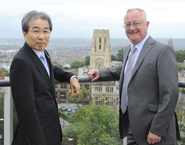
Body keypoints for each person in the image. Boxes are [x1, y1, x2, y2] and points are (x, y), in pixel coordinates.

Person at [88, 8, 180, 145]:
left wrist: (157, 129)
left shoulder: (163, 50)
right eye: (128, 24)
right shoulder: (127, 50)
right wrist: (102, 72)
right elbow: (126, 69)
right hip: (131, 127)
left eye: (136, 23)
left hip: (154, 131)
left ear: (147, 24)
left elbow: (170, 94)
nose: (132, 28)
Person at [10, 10, 80, 145]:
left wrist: (71, 77)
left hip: (50, 131)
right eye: (36, 31)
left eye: (46, 31)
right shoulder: (21, 61)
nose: (41, 36)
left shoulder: (41, 53)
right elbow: (26, 110)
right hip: (34, 137)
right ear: (25, 34)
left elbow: (50, 70)